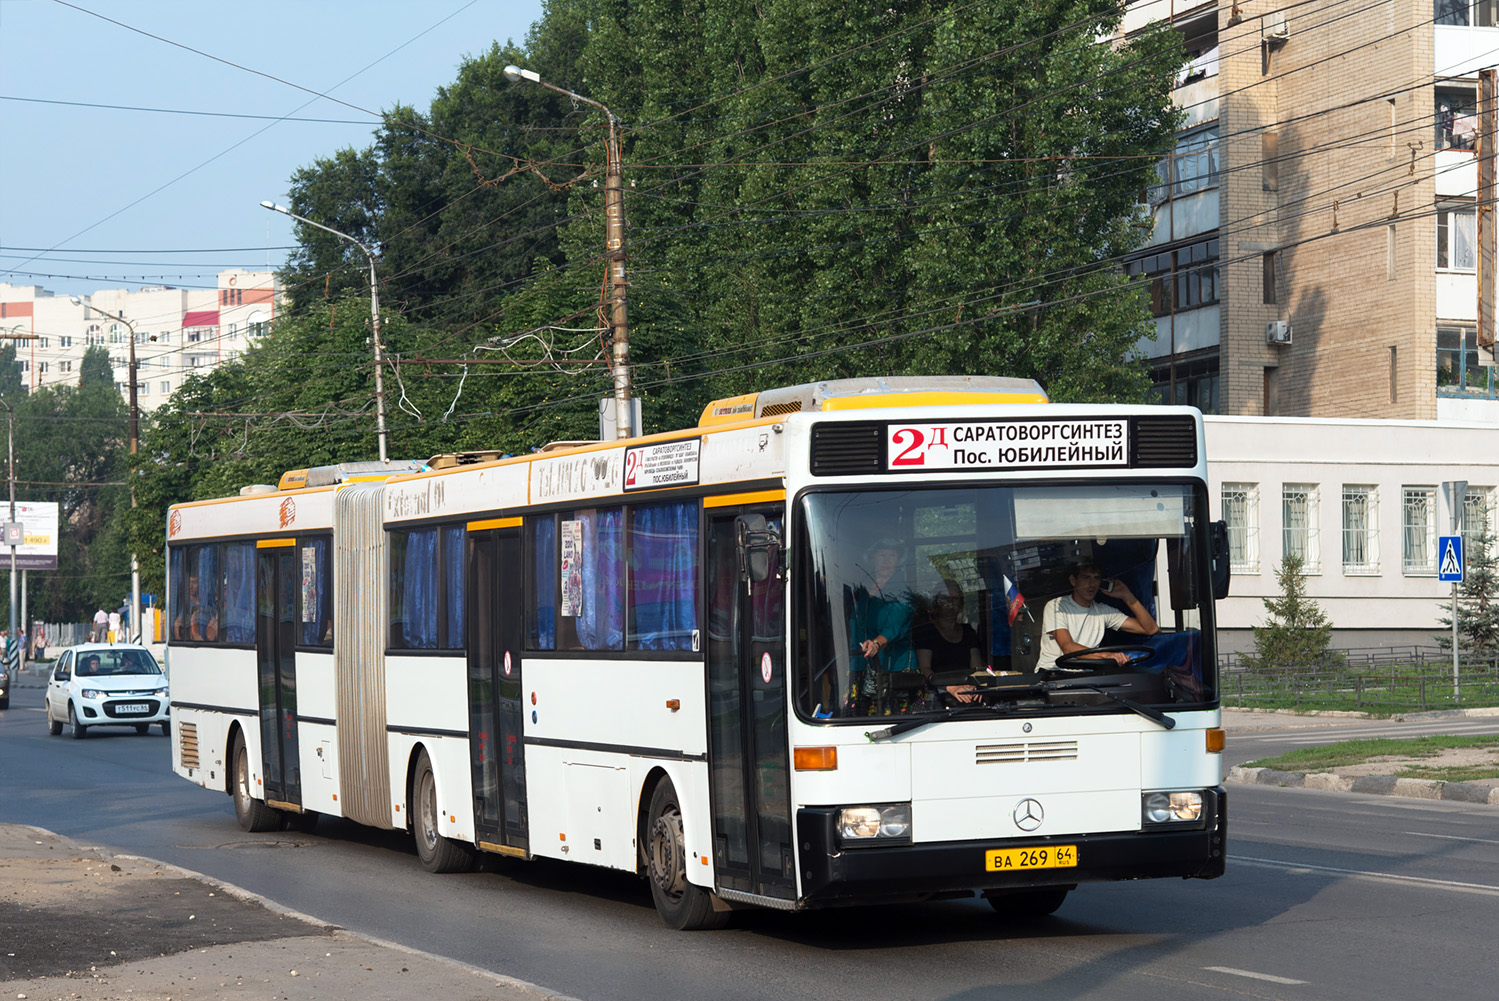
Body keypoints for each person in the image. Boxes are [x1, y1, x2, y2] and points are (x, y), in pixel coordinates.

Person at [1036, 560, 1158, 672]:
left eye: (1096, 578)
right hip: (1054, 673)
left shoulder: (1103, 610)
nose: (1092, 584)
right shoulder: (1056, 606)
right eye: (1086, 577)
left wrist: (1127, 596)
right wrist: (1107, 655)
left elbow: (1150, 628)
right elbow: (1068, 647)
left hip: (1088, 675)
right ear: (1073, 581)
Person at [845, 537, 916, 712]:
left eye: (892, 556)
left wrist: (876, 643)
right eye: (882, 555)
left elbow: (894, 627)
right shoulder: (862, 588)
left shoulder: (902, 592)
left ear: (899, 560)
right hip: (861, 666)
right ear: (873, 558)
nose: (886, 560)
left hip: (894, 669)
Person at [915, 581, 983, 703]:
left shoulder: (968, 631)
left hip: (967, 691)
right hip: (937, 695)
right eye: (945, 599)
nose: (951, 603)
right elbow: (925, 669)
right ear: (936, 604)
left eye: (955, 599)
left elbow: (976, 668)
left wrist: (975, 686)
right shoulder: (926, 631)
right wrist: (950, 688)